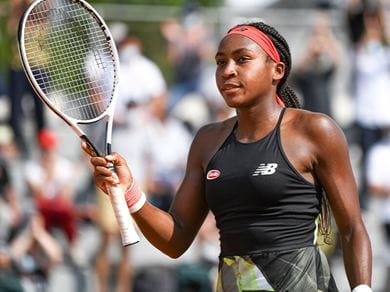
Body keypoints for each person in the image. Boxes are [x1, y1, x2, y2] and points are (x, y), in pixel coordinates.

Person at [83, 21, 372, 291]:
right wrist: (130, 192)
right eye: (221, 62)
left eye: (242, 59)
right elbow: (176, 239)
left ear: (277, 70)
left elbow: (352, 229)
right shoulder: (207, 140)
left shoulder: (315, 130)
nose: (228, 70)